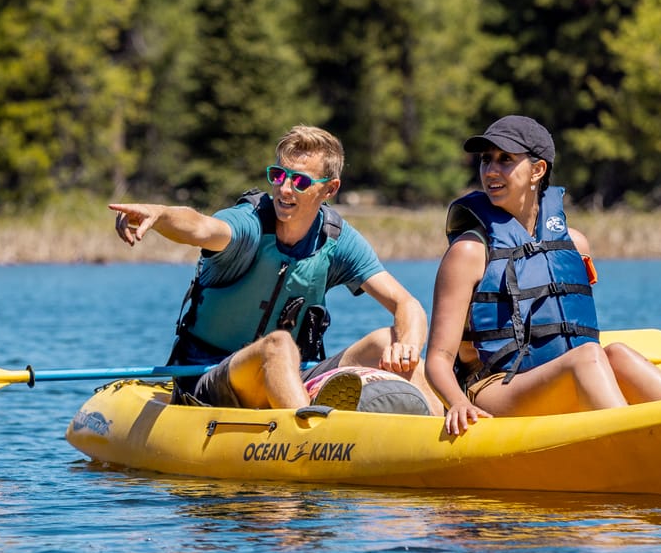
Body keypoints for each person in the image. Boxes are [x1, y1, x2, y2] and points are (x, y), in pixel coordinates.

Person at [109, 125, 435, 414]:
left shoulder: (337, 239)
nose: (284, 189)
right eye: (278, 175)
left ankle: (445, 435)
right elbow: (200, 227)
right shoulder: (249, 224)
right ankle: (314, 437)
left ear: (330, 188)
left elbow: (407, 305)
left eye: (300, 181)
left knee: (386, 340)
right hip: (208, 376)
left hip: (293, 375)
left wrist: (407, 345)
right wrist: (160, 215)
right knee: (278, 344)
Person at [424, 115, 661, 438]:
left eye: (505, 160)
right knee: (587, 358)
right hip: (494, 390)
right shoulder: (469, 252)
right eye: (486, 160)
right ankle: (635, 444)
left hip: (558, 380)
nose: (490, 171)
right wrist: (458, 403)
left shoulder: (574, 244)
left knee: (616, 354)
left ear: (538, 170)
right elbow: (438, 359)